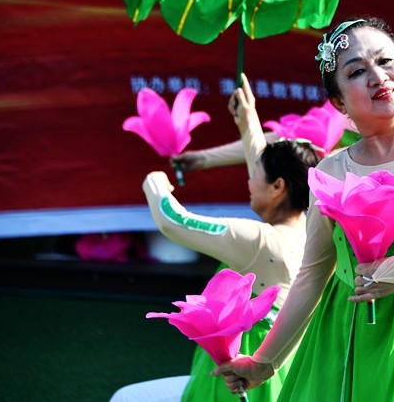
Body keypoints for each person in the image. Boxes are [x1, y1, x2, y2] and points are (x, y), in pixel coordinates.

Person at [211, 17, 394, 401]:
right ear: (339, 102)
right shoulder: (331, 170)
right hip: (342, 335)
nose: (377, 76)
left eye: (385, 61)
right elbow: (312, 275)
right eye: (356, 71)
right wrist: (265, 362)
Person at [110, 74, 321, 402]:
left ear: (278, 187)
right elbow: (265, 163)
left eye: (255, 175)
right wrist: (247, 119)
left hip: (235, 377)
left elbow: (174, 222)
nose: (249, 181)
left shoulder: (259, 241)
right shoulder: (311, 230)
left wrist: (155, 183)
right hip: (280, 377)